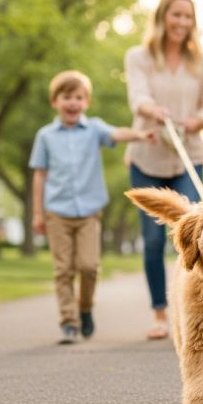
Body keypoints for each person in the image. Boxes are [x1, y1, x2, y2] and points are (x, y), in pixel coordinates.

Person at [30, 70, 154, 345]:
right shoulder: (46, 136)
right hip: (56, 212)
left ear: (86, 102)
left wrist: (140, 135)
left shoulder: (94, 129)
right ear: (55, 102)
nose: (72, 103)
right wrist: (38, 214)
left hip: (88, 212)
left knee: (88, 266)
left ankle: (85, 308)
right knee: (63, 270)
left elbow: (117, 133)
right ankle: (68, 322)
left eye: (78, 97)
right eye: (66, 97)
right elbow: (39, 175)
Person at [124, 0, 203, 340]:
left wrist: (196, 121)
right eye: (176, 14)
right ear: (163, 17)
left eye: (187, 16)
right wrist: (154, 110)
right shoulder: (139, 56)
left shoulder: (200, 61)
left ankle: (192, 305)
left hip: (188, 156)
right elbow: (138, 96)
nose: (181, 22)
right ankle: (160, 313)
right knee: (152, 240)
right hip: (147, 156)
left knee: (191, 233)